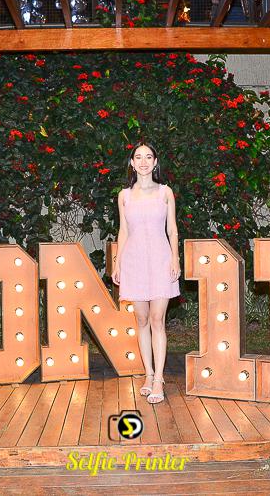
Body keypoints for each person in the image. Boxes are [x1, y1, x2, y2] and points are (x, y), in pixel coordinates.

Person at [112, 144, 180, 404]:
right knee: (141, 320)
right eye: (138, 157)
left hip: (161, 260)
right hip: (134, 262)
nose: (143, 162)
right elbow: (123, 231)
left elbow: (172, 230)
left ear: (155, 161)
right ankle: (148, 374)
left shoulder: (165, 192)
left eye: (148, 157)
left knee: (157, 319)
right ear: (132, 162)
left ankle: (159, 379)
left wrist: (175, 258)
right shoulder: (124, 196)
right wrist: (118, 263)